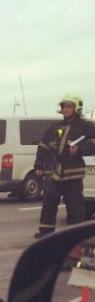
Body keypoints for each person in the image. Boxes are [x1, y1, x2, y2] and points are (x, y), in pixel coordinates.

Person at [33, 93, 95, 239]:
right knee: (49, 203)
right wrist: (39, 164)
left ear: (76, 108)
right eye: (64, 107)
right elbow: (43, 146)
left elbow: (93, 145)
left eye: (69, 107)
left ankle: (75, 235)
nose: (66, 110)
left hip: (73, 174)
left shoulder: (86, 126)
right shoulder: (55, 126)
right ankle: (45, 233)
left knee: (75, 206)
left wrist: (79, 150)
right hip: (55, 173)